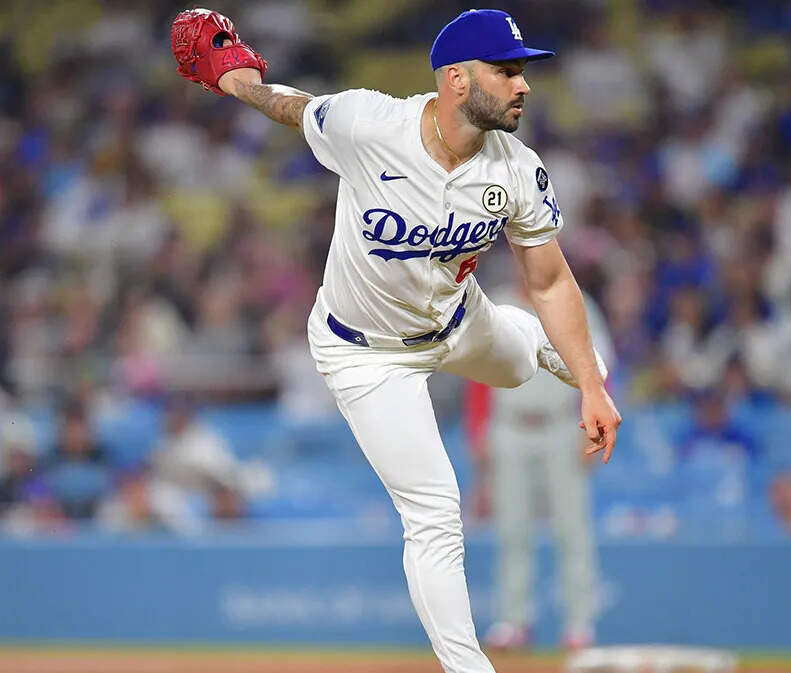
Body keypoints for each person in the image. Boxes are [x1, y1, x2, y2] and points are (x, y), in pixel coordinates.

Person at [171, 9, 621, 673]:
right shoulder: (368, 124)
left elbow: (550, 281)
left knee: (523, 353)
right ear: (459, 81)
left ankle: (550, 355)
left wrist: (591, 386)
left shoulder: (517, 171)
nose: (523, 85)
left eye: (523, 71)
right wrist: (233, 78)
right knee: (435, 511)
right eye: (508, 71)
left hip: (459, 322)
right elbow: (293, 106)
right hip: (366, 354)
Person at [467, 286, 614, 653]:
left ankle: (580, 625)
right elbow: (477, 370)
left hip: (562, 426)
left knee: (571, 528)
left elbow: (598, 369)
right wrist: (479, 430)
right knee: (512, 529)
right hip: (510, 426)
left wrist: (594, 428)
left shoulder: (576, 300)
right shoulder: (497, 301)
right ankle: (514, 622)